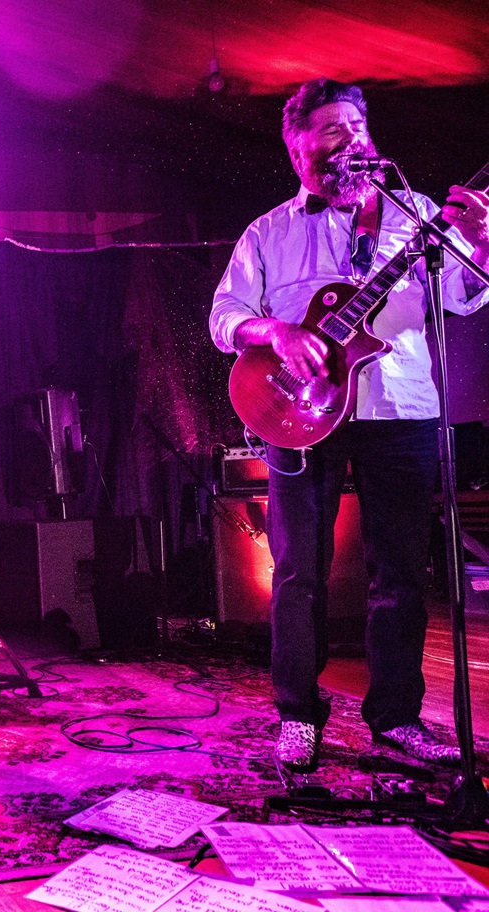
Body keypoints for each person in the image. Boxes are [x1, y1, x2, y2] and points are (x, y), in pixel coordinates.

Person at [210, 78, 489, 772]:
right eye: (332, 129)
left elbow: (463, 296)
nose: (351, 141)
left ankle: (394, 719)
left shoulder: (417, 216)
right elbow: (224, 319)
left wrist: (480, 243)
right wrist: (273, 331)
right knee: (299, 573)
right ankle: (298, 716)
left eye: (358, 127)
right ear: (297, 143)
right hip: (299, 413)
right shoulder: (268, 232)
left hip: (401, 410)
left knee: (399, 572)